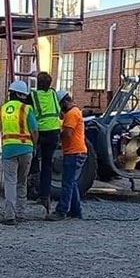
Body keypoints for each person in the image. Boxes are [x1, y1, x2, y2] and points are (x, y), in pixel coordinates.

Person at [0, 80, 38, 225]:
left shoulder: (2, 109)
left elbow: (1, 129)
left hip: (8, 150)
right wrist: (34, 146)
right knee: (22, 182)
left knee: (10, 182)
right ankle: (20, 214)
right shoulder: (26, 109)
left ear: (11, 93)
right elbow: (34, 130)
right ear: (23, 95)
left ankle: (9, 215)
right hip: (26, 148)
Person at [47, 89, 86, 221]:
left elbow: (68, 133)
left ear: (64, 102)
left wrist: (57, 135)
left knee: (67, 183)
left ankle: (61, 211)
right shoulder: (75, 112)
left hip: (74, 152)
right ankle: (76, 211)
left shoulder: (72, 114)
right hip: (76, 151)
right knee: (71, 182)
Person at [29, 72, 63, 209]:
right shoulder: (53, 94)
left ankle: (34, 187)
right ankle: (45, 196)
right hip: (54, 132)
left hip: (41, 133)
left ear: (38, 83)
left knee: (33, 159)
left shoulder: (33, 95)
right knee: (48, 166)